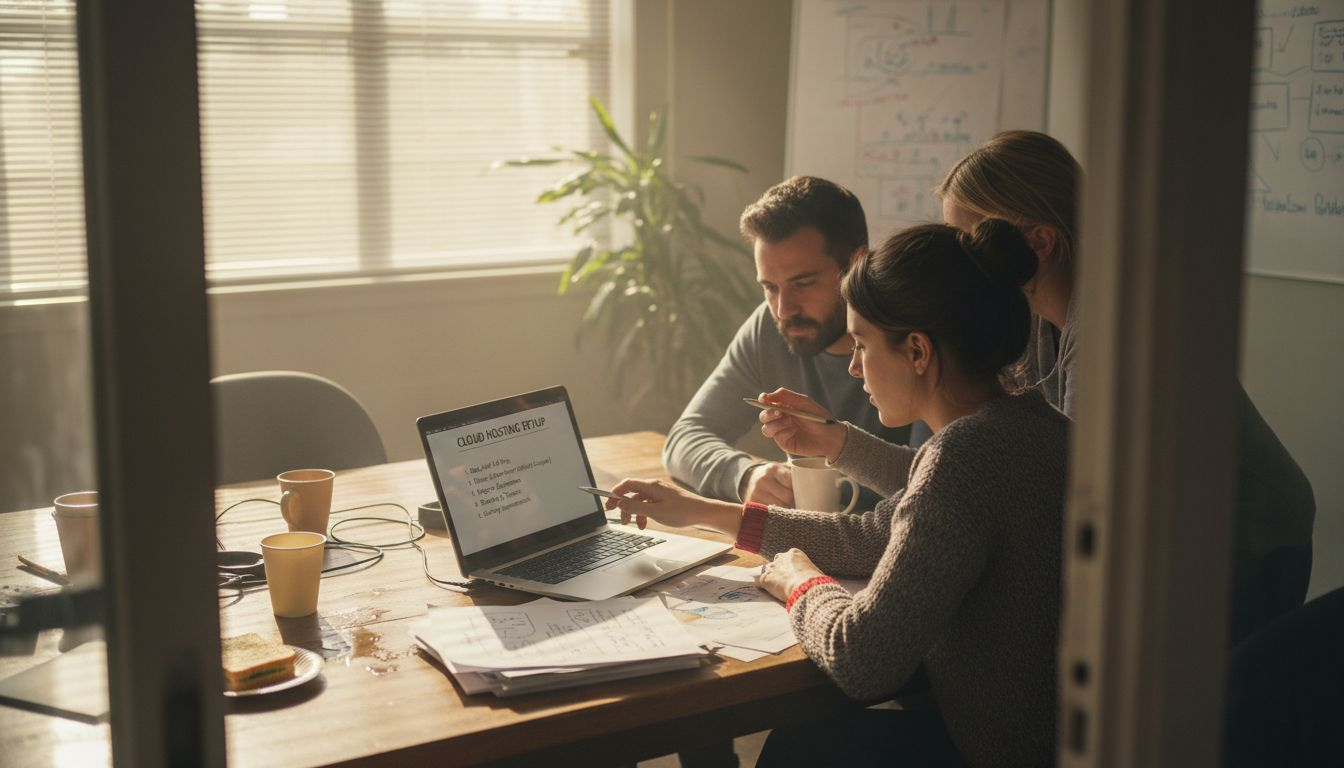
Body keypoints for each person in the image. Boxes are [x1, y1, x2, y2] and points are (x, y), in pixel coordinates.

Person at [610, 221, 1070, 767]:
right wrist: (704, 512)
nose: (853, 366)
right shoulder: (1032, 421)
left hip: (1001, 754)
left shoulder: (962, 458)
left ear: (918, 351)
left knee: (804, 749)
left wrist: (802, 583)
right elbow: (874, 535)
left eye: (861, 345)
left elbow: (861, 659)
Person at [936, 130, 1315, 644]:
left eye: (972, 246)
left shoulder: (1111, 330)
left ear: (1038, 244)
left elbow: (1062, 489)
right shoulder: (1034, 320)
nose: (964, 269)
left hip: (1245, 541)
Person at [662, 176, 924, 508]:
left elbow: (933, 482)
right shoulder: (769, 327)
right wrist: (746, 477)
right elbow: (685, 437)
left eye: (803, 283)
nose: (784, 309)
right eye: (770, 287)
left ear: (857, 263)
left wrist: (822, 485)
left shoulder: (914, 339)